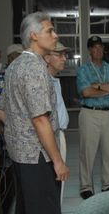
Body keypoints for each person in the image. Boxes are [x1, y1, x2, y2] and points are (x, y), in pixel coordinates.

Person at [0, 12, 70, 214]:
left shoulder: (14, 65)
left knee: (27, 207)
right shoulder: (35, 68)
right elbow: (40, 119)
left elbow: (1, 109)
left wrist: (19, 135)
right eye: (50, 30)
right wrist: (58, 161)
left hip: (21, 156)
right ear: (34, 36)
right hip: (38, 156)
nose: (55, 35)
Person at [77, 35, 109, 199]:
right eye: (94, 47)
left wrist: (98, 86)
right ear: (89, 50)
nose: (98, 50)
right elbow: (86, 92)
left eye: (100, 47)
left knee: (108, 152)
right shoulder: (83, 70)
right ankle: (86, 187)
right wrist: (107, 89)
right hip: (90, 113)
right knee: (87, 152)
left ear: (103, 49)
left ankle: (107, 185)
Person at [43, 42, 71, 205]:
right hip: (50, 136)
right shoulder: (43, 81)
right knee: (52, 187)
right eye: (59, 55)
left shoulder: (54, 80)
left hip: (58, 134)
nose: (64, 59)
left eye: (64, 55)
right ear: (47, 58)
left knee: (57, 187)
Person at [0, 44, 24, 131]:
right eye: (19, 56)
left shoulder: (23, 75)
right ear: (10, 58)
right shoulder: (3, 77)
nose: (23, 59)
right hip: (12, 130)